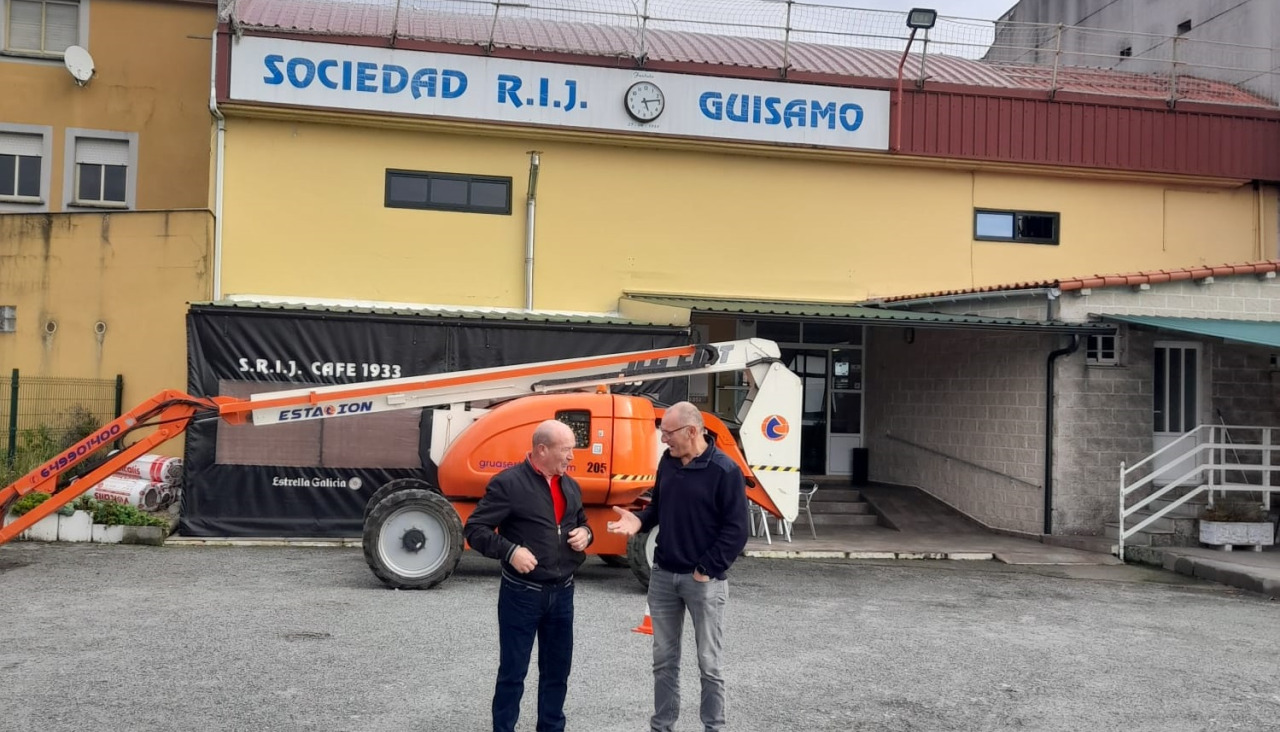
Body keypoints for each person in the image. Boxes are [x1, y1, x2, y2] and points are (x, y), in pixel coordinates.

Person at [606, 401, 749, 732]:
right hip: (663, 577)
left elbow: (737, 531)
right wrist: (639, 521)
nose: (663, 439)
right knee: (663, 661)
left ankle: (713, 727)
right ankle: (662, 726)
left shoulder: (725, 471)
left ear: (692, 431)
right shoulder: (667, 462)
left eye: (668, 433)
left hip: (704, 582)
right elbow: (658, 508)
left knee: (709, 664)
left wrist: (706, 569)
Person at [464, 419, 593, 732]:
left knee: (557, 672)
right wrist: (510, 551)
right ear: (542, 449)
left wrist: (586, 534)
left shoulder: (570, 485)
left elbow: (581, 521)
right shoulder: (508, 484)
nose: (571, 456)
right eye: (566, 450)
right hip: (521, 595)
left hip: (562, 594)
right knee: (513, 673)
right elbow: (475, 529)